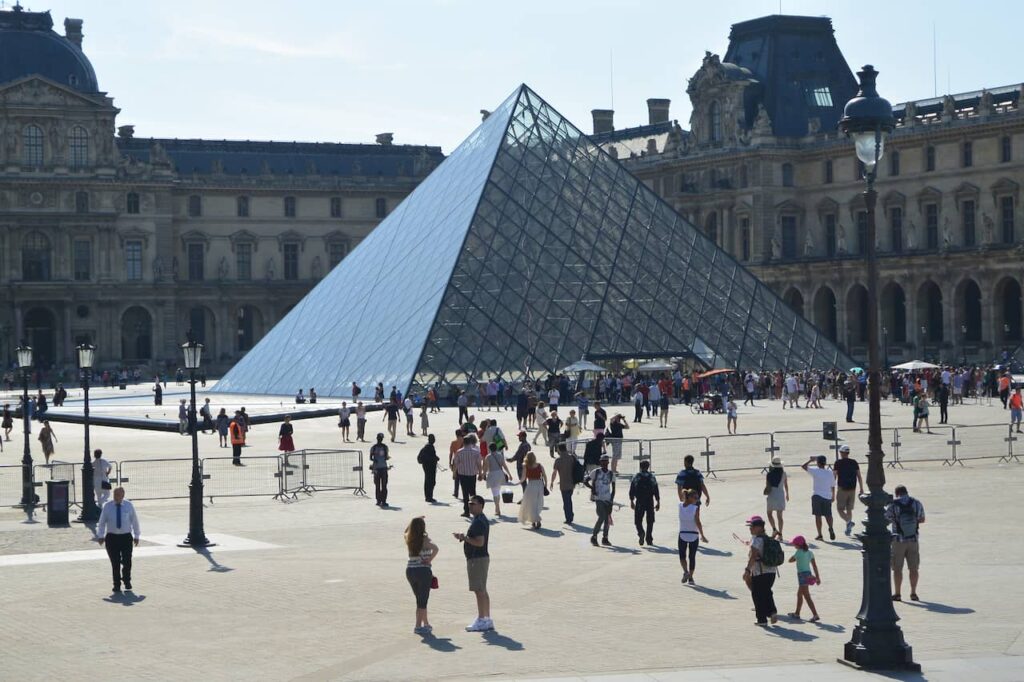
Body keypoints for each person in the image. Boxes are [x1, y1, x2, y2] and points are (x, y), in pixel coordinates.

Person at [454, 495, 493, 632]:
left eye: (473, 504)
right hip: (480, 558)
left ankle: (482, 619)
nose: (470, 505)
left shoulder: (478, 522)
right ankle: (487, 619)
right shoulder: (479, 519)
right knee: (482, 589)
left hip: (477, 559)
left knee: (479, 590)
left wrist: (465, 538)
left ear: (481, 506)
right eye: (469, 503)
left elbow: (480, 542)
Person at [96, 487, 141, 593]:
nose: (117, 497)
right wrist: (100, 535)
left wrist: (137, 535)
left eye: (119, 495)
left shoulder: (129, 506)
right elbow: (102, 522)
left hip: (125, 537)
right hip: (112, 538)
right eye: (115, 495)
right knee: (115, 562)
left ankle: (127, 580)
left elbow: (135, 521)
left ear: (123, 495)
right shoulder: (108, 506)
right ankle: (116, 584)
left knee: (127, 561)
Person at [886, 484, 925, 602]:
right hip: (913, 539)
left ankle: (897, 594)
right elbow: (922, 519)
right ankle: (913, 593)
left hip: (898, 540)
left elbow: (886, 519)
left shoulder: (892, 504)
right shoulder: (916, 503)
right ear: (906, 492)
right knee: (914, 568)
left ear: (897, 493)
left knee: (897, 569)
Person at [405, 516, 439, 634]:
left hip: (410, 570)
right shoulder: (424, 540)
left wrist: (413, 521)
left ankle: (426, 623)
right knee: (422, 600)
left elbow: (405, 531)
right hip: (423, 571)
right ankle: (418, 626)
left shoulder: (409, 538)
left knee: (419, 599)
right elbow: (436, 549)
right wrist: (429, 560)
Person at [744, 515, 779, 626]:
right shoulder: (768, 538)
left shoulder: (757, 540)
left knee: (757, 595)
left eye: (752, 527)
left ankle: (762, 619)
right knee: (767, 592)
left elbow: (753, 556)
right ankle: (772, 612)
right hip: (772, 572)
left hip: (760, 572)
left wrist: (747, 570)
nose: (750, 529)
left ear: (759, 527)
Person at [787, 535, 821, 622]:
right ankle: (797, 613)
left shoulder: (798, 552)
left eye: (794, 544)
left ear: (798, 545)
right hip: (808, 574)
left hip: (802, 575)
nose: (794, 546)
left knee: (807, 596)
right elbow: (814, 566)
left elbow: (790, 560)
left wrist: (795, 558)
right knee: (799, 594)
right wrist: (817, 577)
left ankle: (815, 614)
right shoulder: (810, 552)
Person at [802, 455, 836, 541]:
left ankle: (820, 534)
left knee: (818, 516)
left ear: (818, 463)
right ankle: (831, 527)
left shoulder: (815, 471)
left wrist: (810, 460)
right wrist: (833, 495)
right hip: (827, 496)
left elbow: (803, 466)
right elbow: (833, 485)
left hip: (817, 495)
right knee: (828, 514)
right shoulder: (830, 472)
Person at [677, 488, 708, 584]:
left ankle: (686, 572)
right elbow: (698, 522)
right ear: (690, 497)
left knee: (682, 556)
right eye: (695, 497)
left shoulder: (679, 506)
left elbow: (681, 493)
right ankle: (690, 577)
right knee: (692, 557)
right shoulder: (695, 508)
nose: (697, 500)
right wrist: (702, 535)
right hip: (694, 534)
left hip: (682, 533)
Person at [833, 444, 864, 536]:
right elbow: (859, 476)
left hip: (842, 488)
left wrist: (831, 487)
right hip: (852, 489)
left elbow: (834, 476)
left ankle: (848, 522)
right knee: (849, 509)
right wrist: (861, 488)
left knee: (840, 509)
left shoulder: (838, 463)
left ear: (842, 453)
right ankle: (848, 528)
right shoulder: (854, 462)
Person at [585, 454, 615, 546]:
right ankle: (594, 536)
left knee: (607, 519)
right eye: (603, 461)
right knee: (602, 516)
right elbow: (586, 480)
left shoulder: (611, 474)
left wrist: (611, 500)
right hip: (599, 498)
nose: (604, 463)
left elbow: (613, 489)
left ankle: (605, 538)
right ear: (600, 462)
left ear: (608, 463)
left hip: (607, 499)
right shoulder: (596, 472)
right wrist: (592, 489)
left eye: (606, 461)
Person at [629, 459, 660, 545]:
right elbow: (656, 489)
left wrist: (631, 500)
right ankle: (649, 538)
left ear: (640, 467)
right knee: (650, 520)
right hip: (650, 501)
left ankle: (641, 532)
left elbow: (632, 489)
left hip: (640, 500)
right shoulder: (652, 477)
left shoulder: (636, 476)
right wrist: (658, 501)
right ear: (648, 467)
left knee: (638, 520)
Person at [452, 433, 482, 517]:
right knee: (473, 493)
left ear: (464, 443)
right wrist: (480, 473)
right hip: (472, 475)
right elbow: (479, 464)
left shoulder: (459, 452)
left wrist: (454, 473)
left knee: (465, 493)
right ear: (470, 442)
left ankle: (466, 511)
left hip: (463, 475)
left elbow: (456, 464)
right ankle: (475, 510)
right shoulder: (476, 452)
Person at [483, 437, 513, 516]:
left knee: (494, 493)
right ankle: (497, 507)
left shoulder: (488, 457)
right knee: (497, 491)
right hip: (500, 474)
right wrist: (509, 474)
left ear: (489, 449)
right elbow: (504, 465)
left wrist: (483, 475)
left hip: (492, 474)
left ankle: (497, 508)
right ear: (496, 448)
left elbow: (486, 467)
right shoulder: (500, 455)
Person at [549, 442, 577, 525]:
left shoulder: (558, 460)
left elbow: (554, 472)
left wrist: (551, 482)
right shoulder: (572, 458)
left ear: (559, 450)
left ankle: (569, 517)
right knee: (569, 500)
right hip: (572, 483)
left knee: (566, 501)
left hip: (564, 484)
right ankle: (570, 515)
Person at [517, 451, 546, 529]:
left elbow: (523, 478)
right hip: (539, 485)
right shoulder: (539, 465)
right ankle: (535, 520)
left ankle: (535, 520)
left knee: (530, 503)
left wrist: (518, 482)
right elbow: (544, 475)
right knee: (537, 503)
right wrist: (545, 485)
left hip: (531, 485)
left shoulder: (525, 466)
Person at [764, 456, 789, 539]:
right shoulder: (784, 473)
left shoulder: (769, 474)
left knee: (769, 513)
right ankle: (780, 534)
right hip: (781, 494)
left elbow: (767, 486)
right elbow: (785, 485)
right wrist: (787, 494)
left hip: (772, 495)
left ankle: (774, 529)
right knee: (780, 516)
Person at [369, 433, 391, 508]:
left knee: (382, 485)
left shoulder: (382, 447)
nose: (380, 439)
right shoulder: (376, 447)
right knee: (379, 485)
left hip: (382, 468)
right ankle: (380, 500)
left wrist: (375, 459)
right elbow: (371, 457)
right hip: (379, 468)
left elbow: (371, 458)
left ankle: (382, 501)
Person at [417, 434, 439, 503]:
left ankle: (428, 496)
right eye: (433, 438)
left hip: (427, 466)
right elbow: (430, 457)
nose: (434, 440)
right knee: (430, 482)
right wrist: (435, 458)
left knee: (428, 481)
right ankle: (429, 497)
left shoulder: (428, 446)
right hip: (429, 467)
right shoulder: (429, 447)